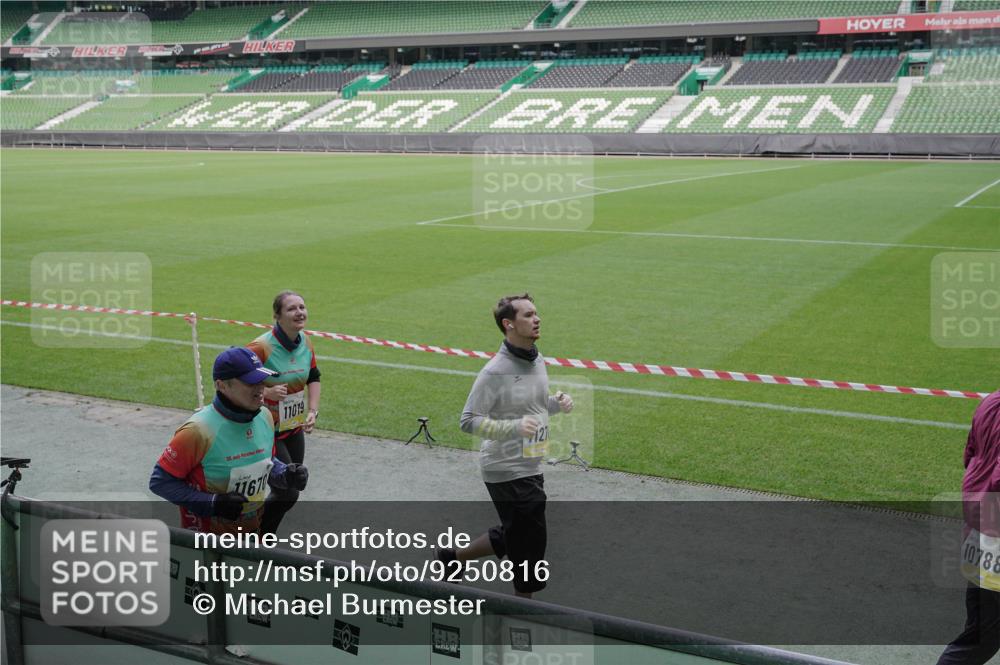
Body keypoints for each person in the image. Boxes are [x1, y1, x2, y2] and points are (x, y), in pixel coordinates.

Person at [437, 293, 573, 598]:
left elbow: (531, 407)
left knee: (518, 530)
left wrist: (556, 404)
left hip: (530, 461)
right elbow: (468, 420)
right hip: (505, 467)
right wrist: (512, 428)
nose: (536, 319)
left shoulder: (536, 358)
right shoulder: (494, 372)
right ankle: (523, 614)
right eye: (528, 315)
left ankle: (453, 559)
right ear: (508, 324)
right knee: (531, 544)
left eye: (536, 313)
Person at [149, 347, 308, 534]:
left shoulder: (265, 416)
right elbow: (160, 482)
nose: (260, 389)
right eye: (250, 382)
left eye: (261, 380)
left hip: (250, 536)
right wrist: (213, 503)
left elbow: (266, 461)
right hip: (206, 545)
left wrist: (285, 474)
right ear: (222, 385)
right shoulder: (198, 430)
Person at [247, 291, 322, 534]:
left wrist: (313, 410)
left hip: (293, 427)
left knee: (290, 490)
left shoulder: (306, 342)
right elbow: (233, 380)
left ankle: (259, 538)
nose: (299, 312)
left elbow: (313, 376)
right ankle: (254, 538)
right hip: (265, 429)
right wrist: (265, 393)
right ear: (277, 316)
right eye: (291, 309)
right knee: (287, 490)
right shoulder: (261, 347)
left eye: (302, 306)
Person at [938, 389, 1000, 665]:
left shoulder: (990, 401)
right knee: (981, 640)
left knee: (979, 634)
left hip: (978, 528)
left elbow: (970, 455)